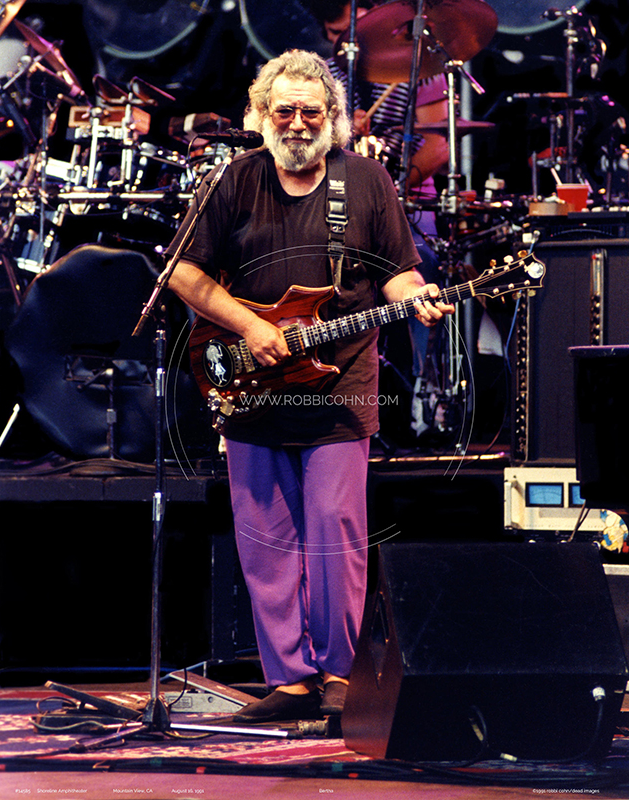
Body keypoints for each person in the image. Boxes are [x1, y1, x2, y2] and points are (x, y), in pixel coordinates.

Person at [166, 49, 453, 722]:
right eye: (285, 111)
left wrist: (417, 296)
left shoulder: (367, 181)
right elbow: (181, 273)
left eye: (311, 112)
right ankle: (289, 680)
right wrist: (249, 326)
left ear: (335, 118)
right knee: (264, 537)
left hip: (340, 381)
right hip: (252, 379)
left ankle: (338, 673)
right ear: (261, 114)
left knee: (335, 531)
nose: (297, 123)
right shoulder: (233, 179)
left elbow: (398, 273)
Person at [305, 0, 453, 440]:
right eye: (333, 33)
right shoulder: (325, 76)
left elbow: (439, 145)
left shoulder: (421, 70)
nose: (343, 41)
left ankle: (421, 399)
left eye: (348, 29)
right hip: (337, 207)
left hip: (410, 204)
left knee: (422, 266)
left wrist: (390, 188)